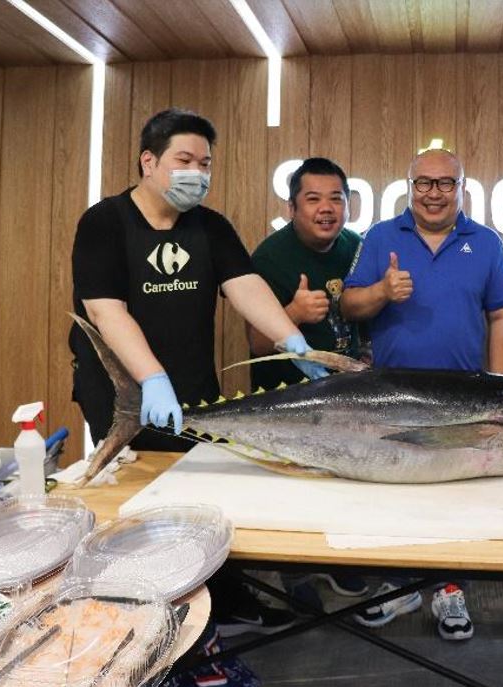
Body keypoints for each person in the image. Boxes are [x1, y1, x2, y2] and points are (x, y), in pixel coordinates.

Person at [69, 108, 328, 647]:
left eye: (205, 163)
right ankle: (145, 624)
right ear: (149, 162)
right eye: (184, 160)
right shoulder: (105, 222)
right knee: (140, 506)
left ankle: (216, 611)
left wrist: (293, 340)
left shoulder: (209, 226)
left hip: (194, 387)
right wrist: (152, 379)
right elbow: (105, 310)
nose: (197, 173)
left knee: (200, 504)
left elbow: (245, 286)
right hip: (122, 393)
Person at [341, 148, 503, 640]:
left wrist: (497, 388)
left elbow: (501, 313)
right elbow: (350, 304)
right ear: (409, 186)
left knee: (457, 500)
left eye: (445, 183)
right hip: (391, 395)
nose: (433, 193)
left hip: (463, 396)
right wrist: (381, 292)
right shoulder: (380, 237)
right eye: (424, 183)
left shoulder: (485, 242)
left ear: (462, 188)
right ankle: (399, 586)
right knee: (394, 493)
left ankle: (450, 589)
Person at [246, 156, 368, 606]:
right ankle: (294, 570)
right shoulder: (269, 257)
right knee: (292, 490)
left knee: (344, 480)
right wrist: (293, 315)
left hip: (346, 398)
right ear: (292, 207)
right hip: (286, 400)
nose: (326, 208)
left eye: (336, 198)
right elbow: (257, 343)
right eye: (313, 199)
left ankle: (338, 559)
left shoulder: (356, 247)